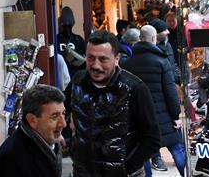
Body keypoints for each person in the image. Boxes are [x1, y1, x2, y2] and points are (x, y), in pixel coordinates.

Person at [65, 30, 161, 177]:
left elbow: (152, 139)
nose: (95, 65)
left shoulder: (135, 89)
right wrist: (69, 145)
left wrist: (126, 168)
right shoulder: (77, 82)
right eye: (91, 58)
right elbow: (60, 110)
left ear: (117, 59)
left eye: (103, 59)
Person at [122, 26, 186, 177]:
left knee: (143, 155)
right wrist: (176, 115)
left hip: (138, 118)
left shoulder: (127, 64)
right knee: (176, 148)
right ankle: (186, 174)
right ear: (153, 39)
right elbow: (170, 92)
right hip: (163, 117)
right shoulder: (162, 62)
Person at [0, 84, 66, 177]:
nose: (63, 123)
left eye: (63, 114)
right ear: (32, 120)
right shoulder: (11, 159)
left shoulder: (49, 139)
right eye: (54, 116)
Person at [57, 6, 86, 78]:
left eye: (68, 26)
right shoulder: (78, 39)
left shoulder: (78, 40)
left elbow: (84, 61)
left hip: (74, 76)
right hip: (63, 76)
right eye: (65, 26)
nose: (67, 28)